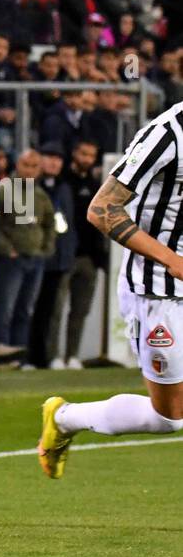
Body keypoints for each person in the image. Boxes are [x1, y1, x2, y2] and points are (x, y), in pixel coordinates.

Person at [39, 101, 183, 478]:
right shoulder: (167, 133)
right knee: (169, 417)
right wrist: (171, 259)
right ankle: (65, 417)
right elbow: (102, 208)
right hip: (159, 291)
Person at [0, 149, 56, 362]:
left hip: (34, 258)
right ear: (17, 165)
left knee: (25, 310)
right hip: (11, 260)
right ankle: (0, 351)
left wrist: (45, 249)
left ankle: (19, 355)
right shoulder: (4, 190)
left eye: (34, 166)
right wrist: (6, 249)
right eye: (26, 165)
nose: (29, 170)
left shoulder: (40, 194)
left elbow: (49, 223)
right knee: (5, 308)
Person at [28, 143, 78, 370]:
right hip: (35, 256)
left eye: (58, 158)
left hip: (59, 259)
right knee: (30, 308)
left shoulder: (65, 188)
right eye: (49, 157)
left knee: (52, 310)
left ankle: (48, 356)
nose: (54, 163)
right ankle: (29, 355)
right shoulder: (29, 187)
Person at [62, 138, 105, 367]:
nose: (87, 159)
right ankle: (51, 356)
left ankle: (72, 355)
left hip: (88, 258)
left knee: (80, 311)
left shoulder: (96, 184)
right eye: (84, 154)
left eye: (91, 155)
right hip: (64, 256)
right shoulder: (63, 181)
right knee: (55, 310)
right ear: (74, 153)